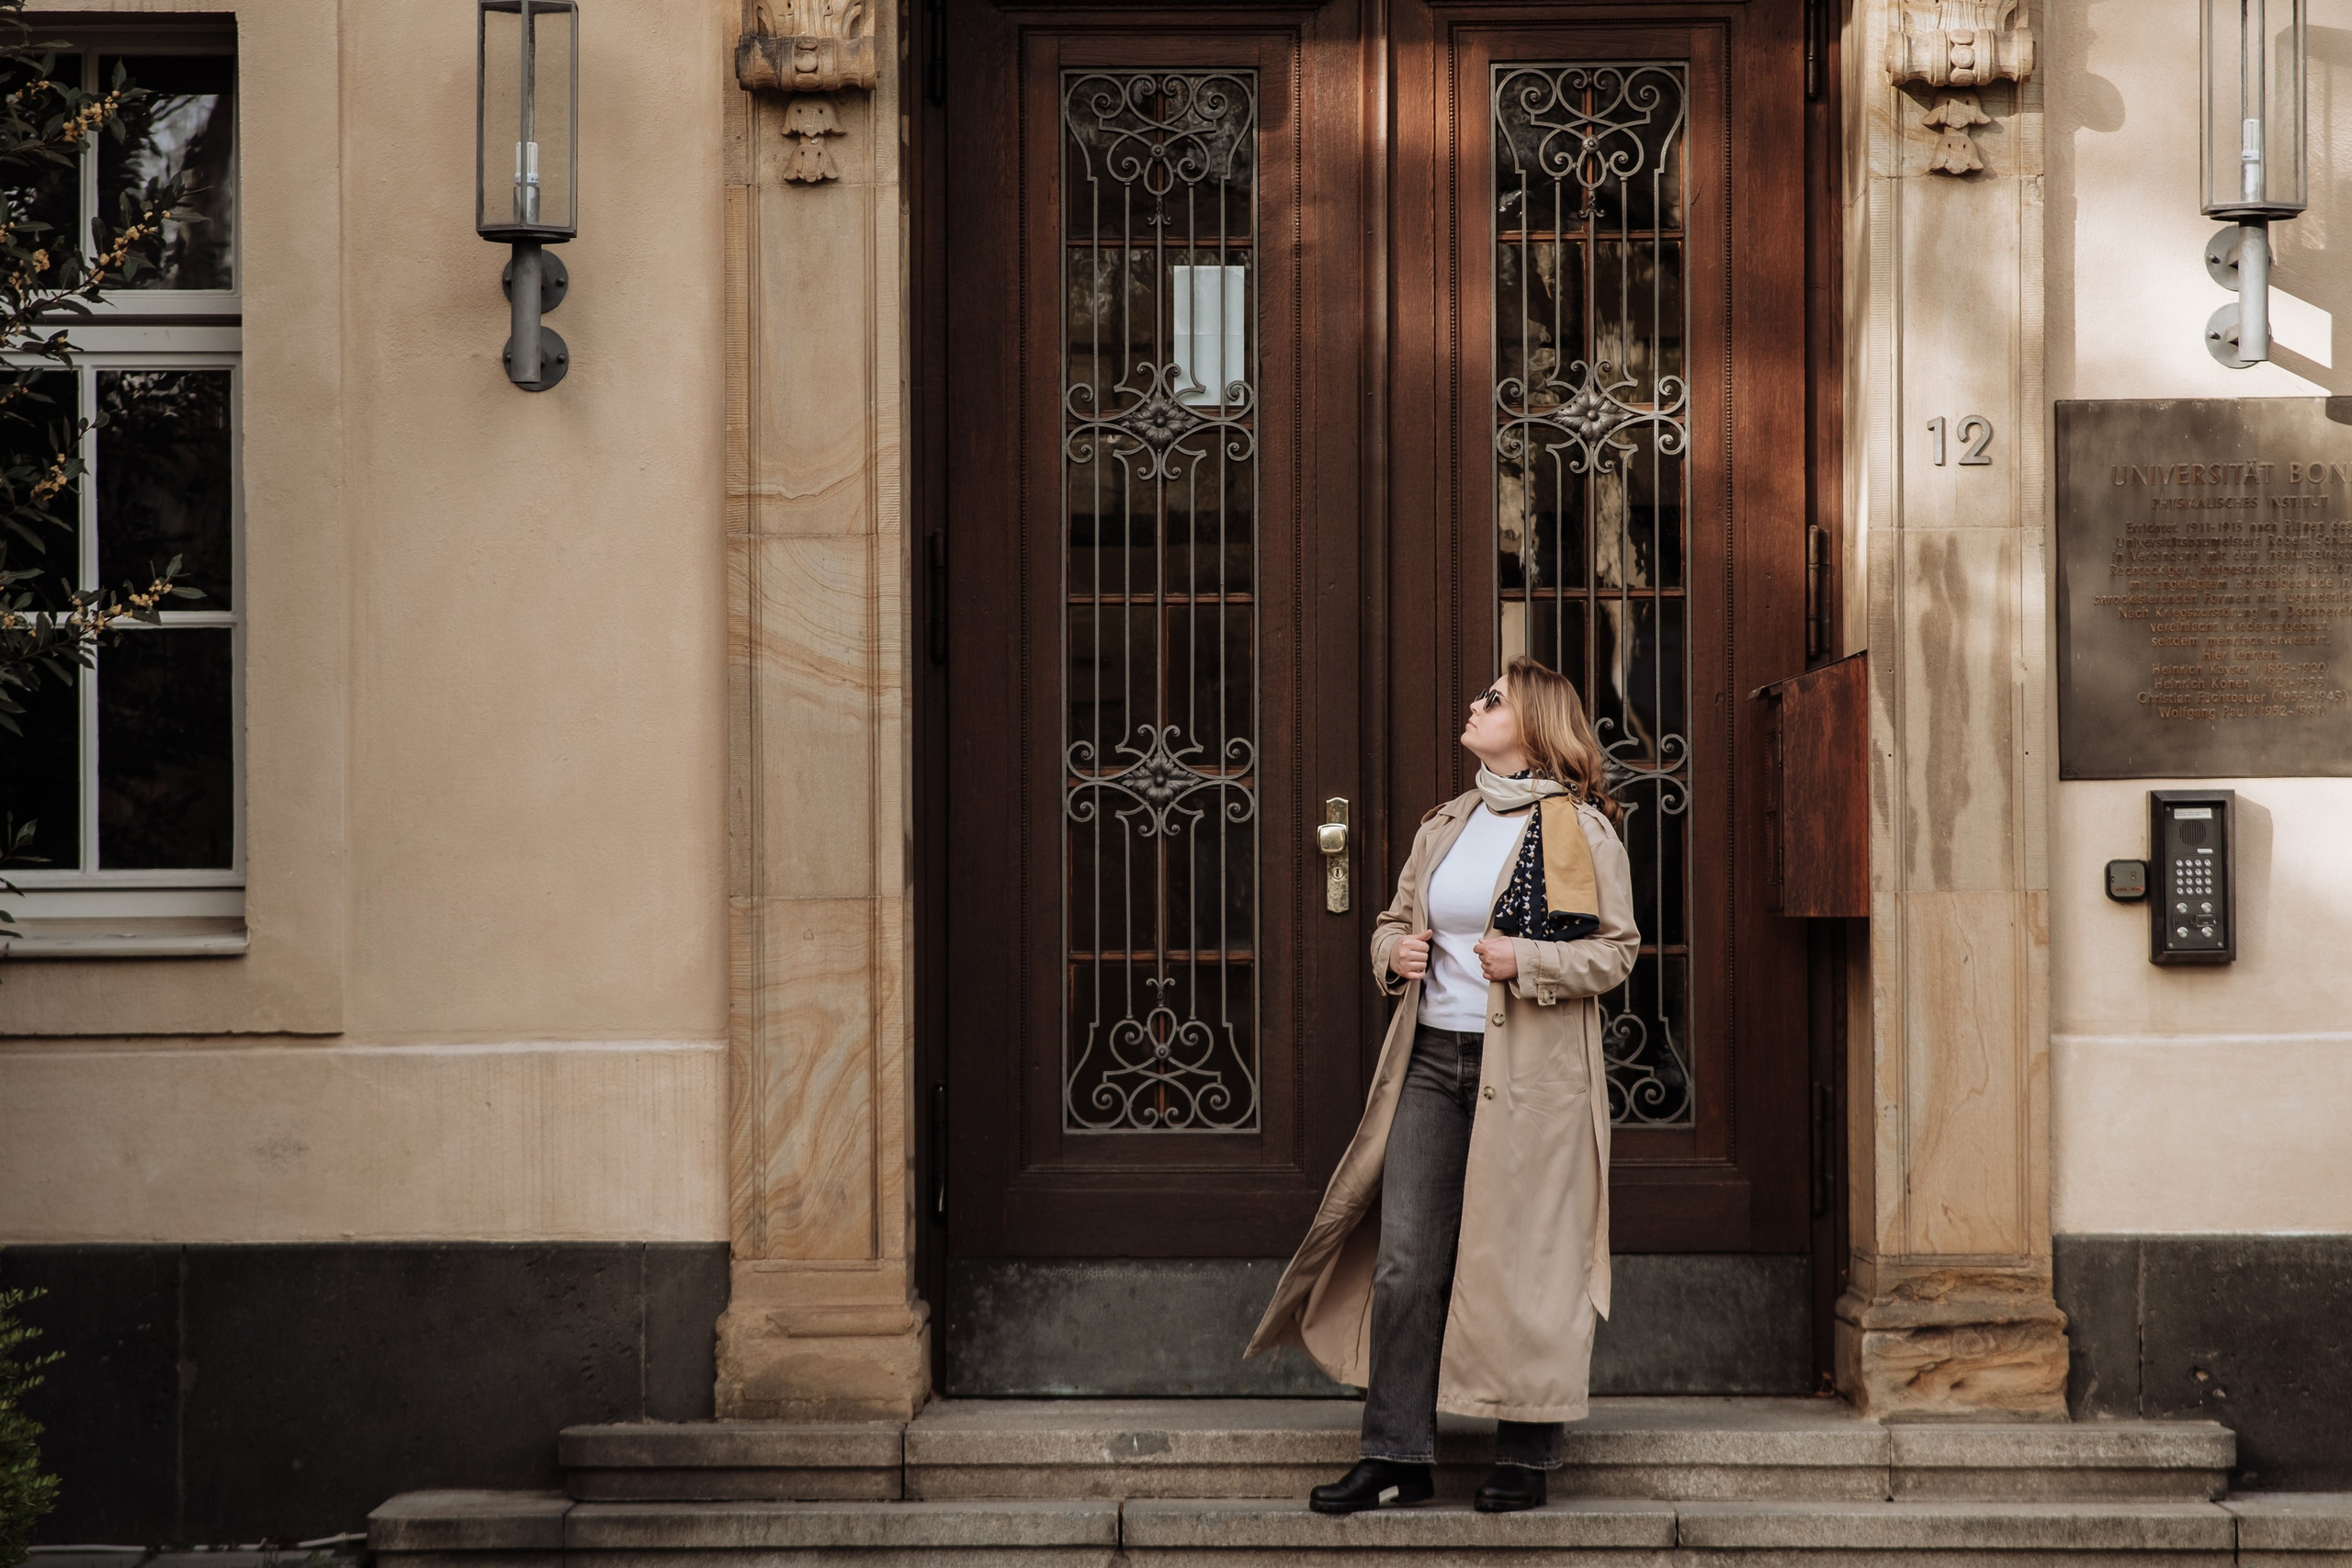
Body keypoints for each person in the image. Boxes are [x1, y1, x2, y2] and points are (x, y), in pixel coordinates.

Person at [1244, 655, 1640, 1514]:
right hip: (1431, 1062)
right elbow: (1393, 917)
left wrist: (1523, 959)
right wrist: (1396, 952)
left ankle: (1526, 1456)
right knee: (1406, 1260)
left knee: (1527, 1263)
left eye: (1492, 699)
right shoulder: (1450, 822)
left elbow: (1615, 951)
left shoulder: (1580, 830)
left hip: (1531, 1079)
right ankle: (1395, 1454)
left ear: (1532, 724)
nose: (1474, 703)